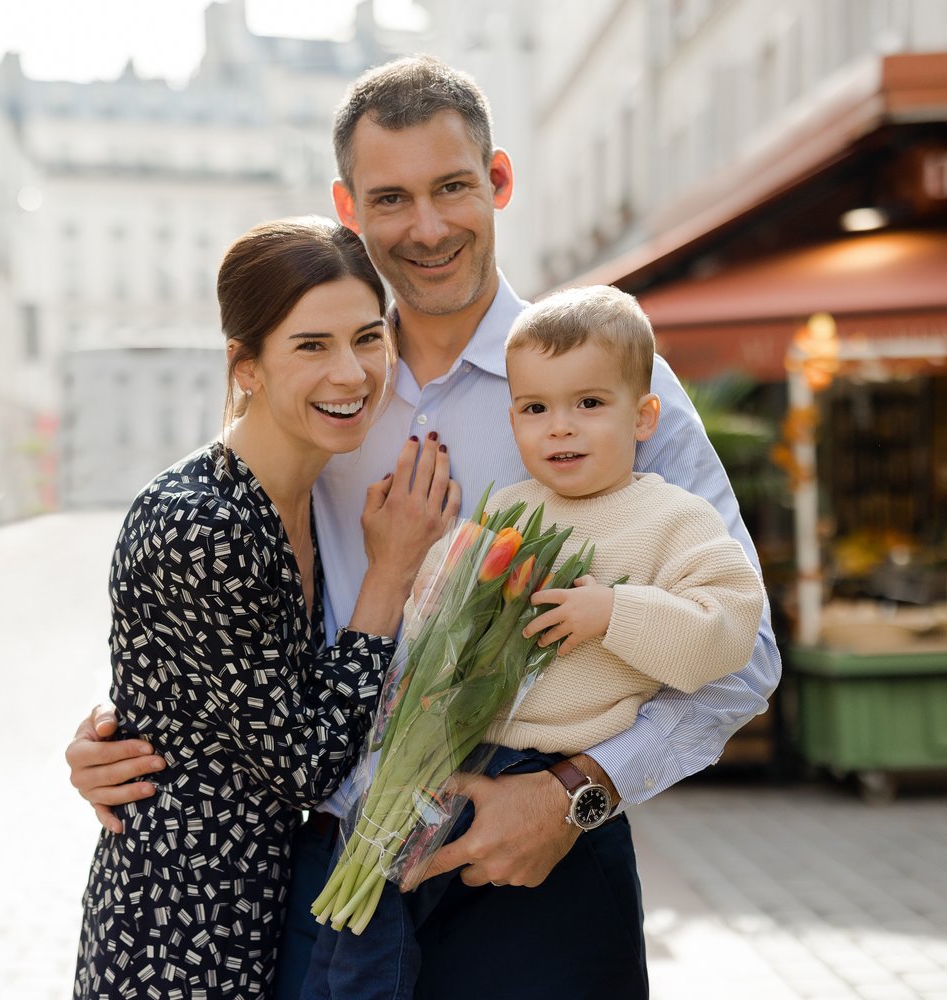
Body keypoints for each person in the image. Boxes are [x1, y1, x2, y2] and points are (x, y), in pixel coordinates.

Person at [66, 56, 782, 999]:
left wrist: (576, 793)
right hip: (327, 864)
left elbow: (746, 653)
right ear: (348, 206)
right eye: (391, 198)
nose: (429, 227)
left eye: (453, 187)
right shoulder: (327, 385)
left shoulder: (608, 385)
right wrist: (134, 738)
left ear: (499, 181)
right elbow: (217, 575)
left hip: (541, 863)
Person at [302, 284, 767, 1000]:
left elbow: (733, 633)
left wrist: (614, 613)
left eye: (588, 405)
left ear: (646, 416)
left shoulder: (674, 519)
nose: (560, 429)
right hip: (449, 752)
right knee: (370, 905)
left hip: (549, 773)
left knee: (403, 895)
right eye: (535, 409)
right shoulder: (513, 508)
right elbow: (439, 612)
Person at [73, 216, 460, 1000]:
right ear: (245, 366)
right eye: (311, 346)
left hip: (278, 918)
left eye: (366, 338)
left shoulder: (311, 494)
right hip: (181, 935)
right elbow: (305, 764)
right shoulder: (201, 522)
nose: (351, 374)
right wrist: (390, 576)